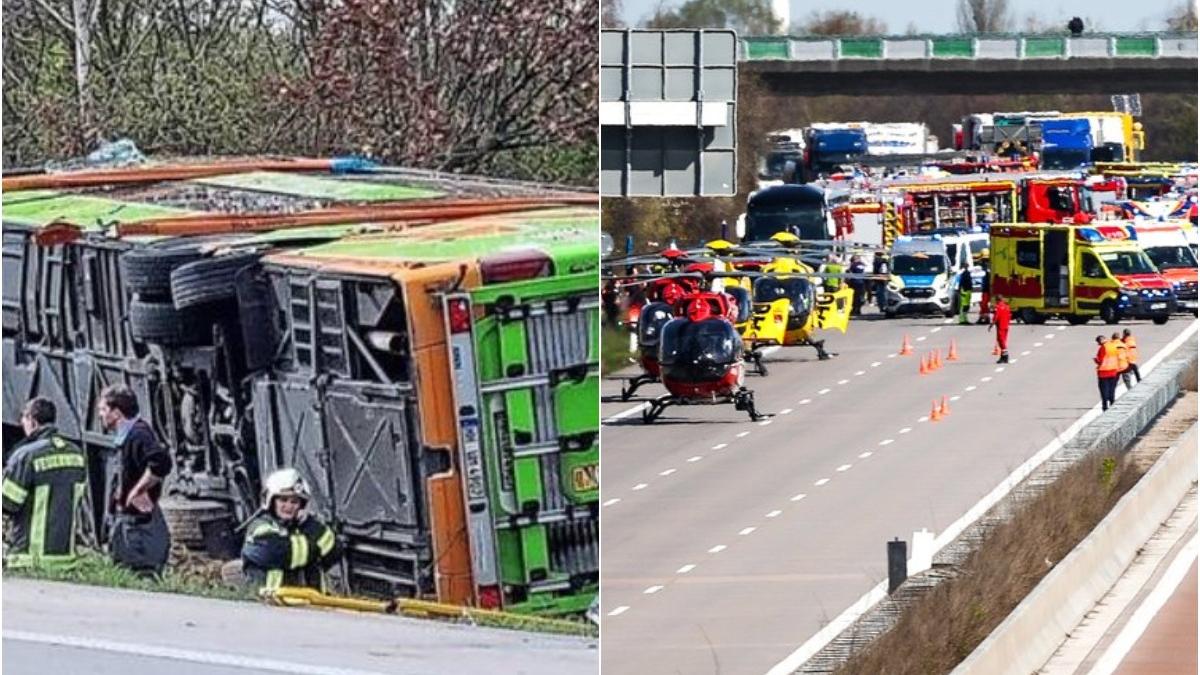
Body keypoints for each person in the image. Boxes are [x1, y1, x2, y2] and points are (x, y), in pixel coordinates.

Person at [2, 398, 88, 570]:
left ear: (32, 421)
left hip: (31, 558)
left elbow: (8, 504)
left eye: (24, 419)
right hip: (66, 559)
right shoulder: (76, 454)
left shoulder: (25, 455)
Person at [98, 384, 172, 575]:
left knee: (140, 578)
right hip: (129, 527)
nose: (100, 414)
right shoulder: (127, 437)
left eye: (103, 409)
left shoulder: (138, 435)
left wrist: (139, 490)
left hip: (139, 530)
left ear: (116, 413)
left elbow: (161, 462)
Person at [241, 468, 341, 593]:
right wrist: (314, 546)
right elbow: (282, 553)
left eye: (295, 502)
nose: (289, 506)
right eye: (283, 500)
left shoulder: (305, 526)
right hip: (269, 606)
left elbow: (334, 550)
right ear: (271, 501)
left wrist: (308, 523)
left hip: (312, 605)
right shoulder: (259, 527)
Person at [1094, 335, 1120, 410]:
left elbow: (1100, 360)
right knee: (1112, 388)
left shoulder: (1103, 348)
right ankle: (1112, 403)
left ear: (1100, 340)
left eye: (1098, 342)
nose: (1099, 344)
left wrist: (1096, 360)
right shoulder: (1113, 346)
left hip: (1104, 372)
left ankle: (1105, 406)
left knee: (1104, 390)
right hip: (1113, 371)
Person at [990, 296, 1011, 363]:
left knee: (1001, 341)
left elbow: (996, 317)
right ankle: (1002, 357)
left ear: (997, 300)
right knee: (1003, 341)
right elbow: (1009, 316)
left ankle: (1005, 355)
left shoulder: (998, 307)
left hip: (1000, 326)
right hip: (1006, 326)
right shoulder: (1007, 306)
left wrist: (992, 324)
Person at [977, 252, 991, 324]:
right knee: (984, 304)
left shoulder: (987, 271)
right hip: (986, 290)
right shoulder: (987, 270)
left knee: (984, 304)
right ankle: (984, 317)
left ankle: (985, 317)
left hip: (986, 290)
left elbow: (987, 282)